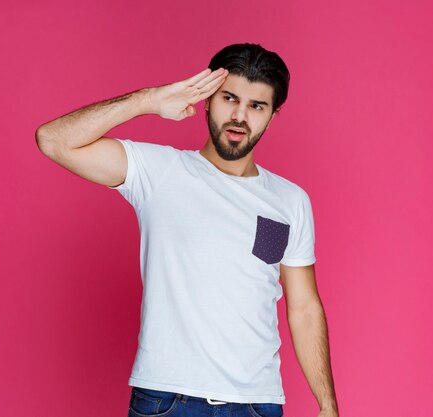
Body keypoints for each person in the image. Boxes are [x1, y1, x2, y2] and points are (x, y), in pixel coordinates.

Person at [36, 43, 339, 417]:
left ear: (273, 116)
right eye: (229, 98)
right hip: (167, 400)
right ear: (208, 99)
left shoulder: (289, 201)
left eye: (256, 106)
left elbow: (304, 307)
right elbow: (53, 140)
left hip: (257, 405)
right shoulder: (159, 172)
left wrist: (327, 404)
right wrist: (147, 100)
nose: (239, 116)